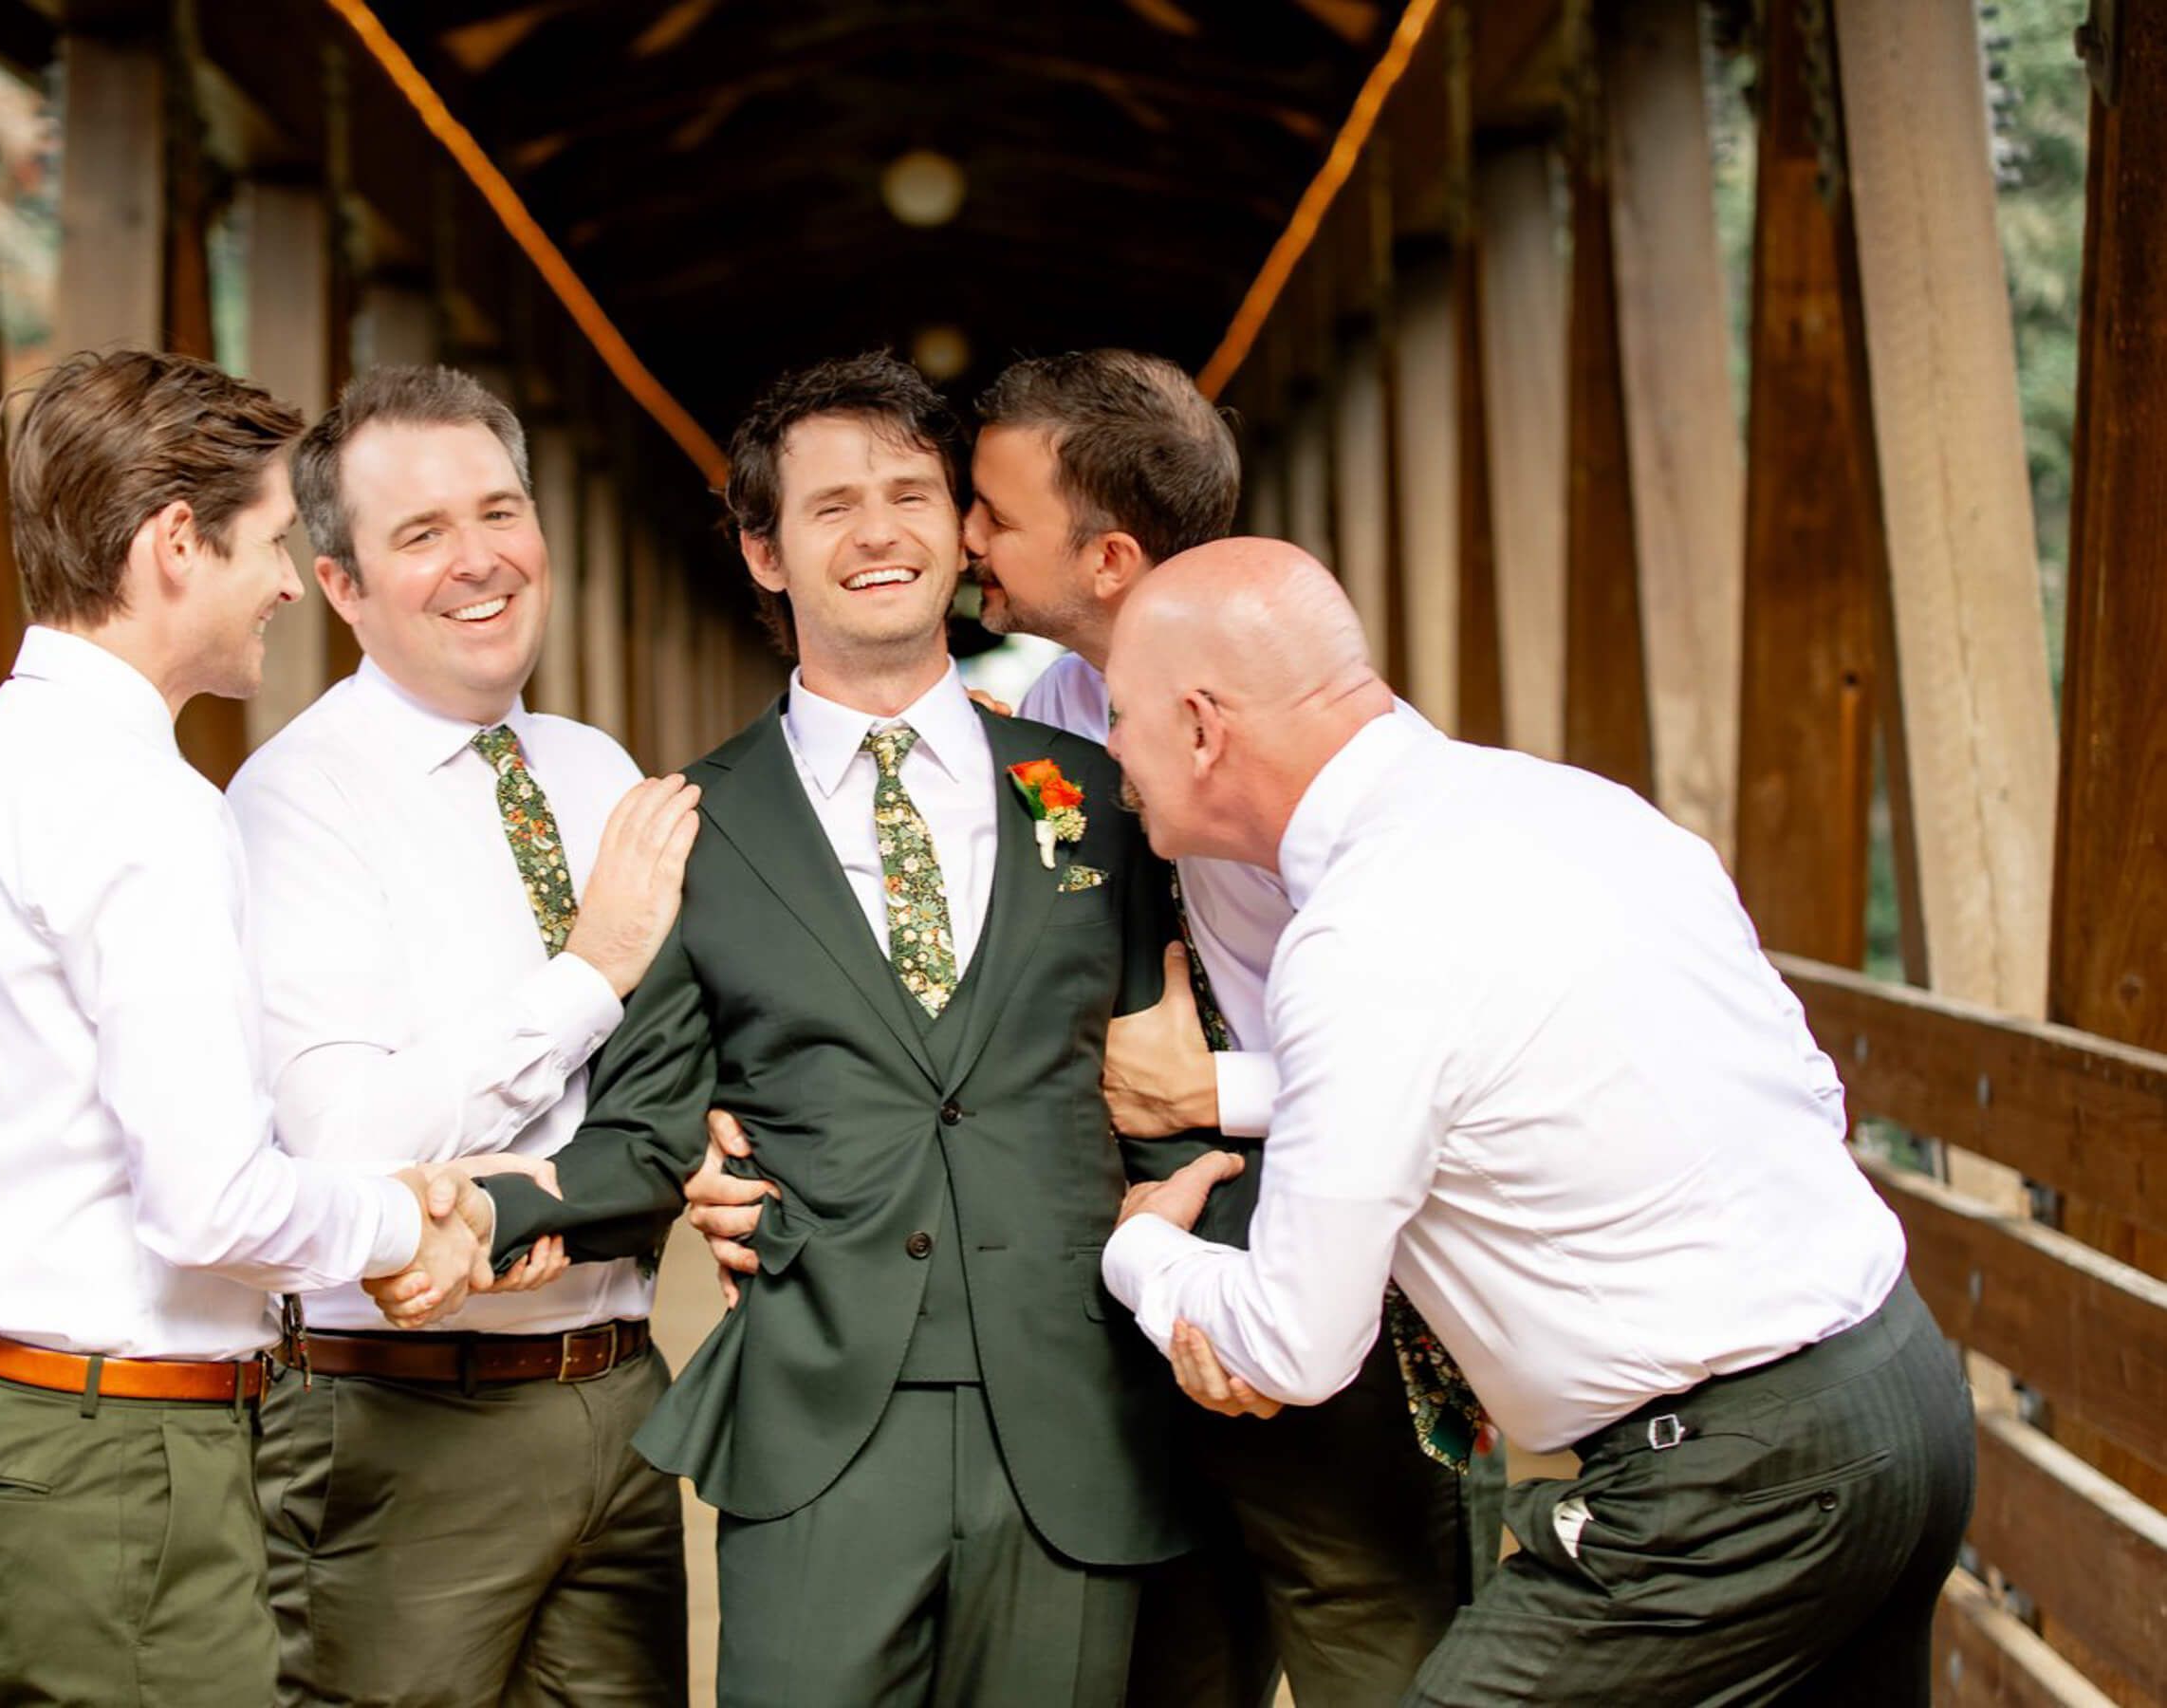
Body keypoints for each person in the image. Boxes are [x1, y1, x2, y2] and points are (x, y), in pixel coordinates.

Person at [1101, 538, 1976, 1704]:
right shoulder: (1577, 807)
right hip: (1902, 1394)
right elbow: (1799, 1087)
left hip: (1725, 1492)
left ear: (1203, 727)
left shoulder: (1361, 933)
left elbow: (1293, 1348)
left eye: (1119, 717)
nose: (1111, 752)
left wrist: (1141, 1250)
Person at [472, 352, 1213, 1705]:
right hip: (820, 1426)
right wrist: (471, 1214)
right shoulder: (690, 824)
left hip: (1077, 1421)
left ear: (956, 528)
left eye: (912, 495)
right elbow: (645, 1124)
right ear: (763, 552)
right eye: (829, 508)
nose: (879, 533)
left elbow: (1164, 1082)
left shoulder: (1103, 795)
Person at [0, 349, 497, 1706]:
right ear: (177, 543)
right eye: (275, 542)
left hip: (24, 1431)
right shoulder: (139, 803)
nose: (292, 581)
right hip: (120, 1459)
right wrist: (408, 1220)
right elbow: (210, 1203)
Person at [972, 349, 1471, 1703]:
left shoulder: (1303, 757)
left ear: (1113, 558)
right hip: (1134, 1239)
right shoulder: (1055, 710)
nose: (968, 539)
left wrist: (1212, 1090)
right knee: (1175, 1638)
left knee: (1373, 1623)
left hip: (1315, 1214)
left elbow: (1420, 1058)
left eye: (995, 515)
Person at [230, 364, 699, 1705]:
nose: (478, 559)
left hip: (619, 1390)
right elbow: (345, 1144)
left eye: (499, 511)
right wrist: (589, 969)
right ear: (342, 588)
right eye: (421, 534)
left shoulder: (592, 766)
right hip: (403, 1418)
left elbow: (658, 1073)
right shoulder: (297, 805)